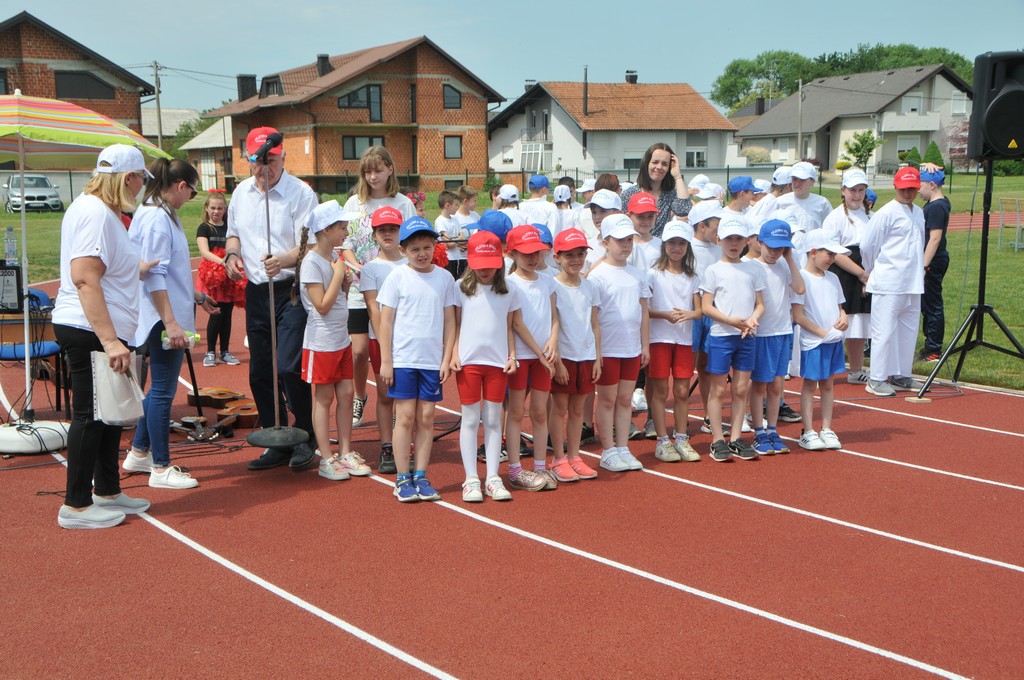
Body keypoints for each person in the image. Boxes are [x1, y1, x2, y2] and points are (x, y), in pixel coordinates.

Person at [52, 144, 152, 528]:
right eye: (141, 179)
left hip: (100, 328)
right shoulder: (95, 213)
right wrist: (110, 340)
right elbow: (84, 278)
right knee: (91, 415)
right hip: (89, 328)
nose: (142, 187)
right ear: (129, 178)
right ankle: (75, 505)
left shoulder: (101, 211)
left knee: (110, 414)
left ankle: (107, 490)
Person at [224, 126, 320, 471]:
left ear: (283, 157)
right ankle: (275, 438)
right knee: (261, 370)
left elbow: (310, 245)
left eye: (271, 160)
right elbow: (233, 234)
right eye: (257, 161)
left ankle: (305, 436)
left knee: (290, 366)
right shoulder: (241, 193)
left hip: (290, 289)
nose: (264, 168)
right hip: (256, 291)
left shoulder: (301, 193)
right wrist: (231, 256)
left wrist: (282, 260)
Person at [123, 157, 212, 490]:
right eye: (192, 192)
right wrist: (171, 323)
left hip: (163, 312)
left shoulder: (156, 211)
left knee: (158, 388)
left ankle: (139, 451)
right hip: (162, 316)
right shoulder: (157, 218)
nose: (191, 198)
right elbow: (154, 274)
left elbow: (169, 271)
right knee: (162, 390)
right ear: (181, 186)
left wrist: (196, 296)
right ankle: (160, 468)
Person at [377, 217, 456, 502]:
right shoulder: (397, 277)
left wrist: (446, 358)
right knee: (405, 417)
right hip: (403, 360)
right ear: (403, 250)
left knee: (426, 417)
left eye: (426, 247)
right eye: (414, 249)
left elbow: (450, 321)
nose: (422, 254)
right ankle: (402, 478)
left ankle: (421, 475)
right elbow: (385, 323)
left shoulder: (445, 278)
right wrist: (386, 360)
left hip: (431, 361)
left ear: (434, 246)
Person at [339, 147, 416, 430]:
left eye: (378, 170)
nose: (373, 177)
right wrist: (359, 267)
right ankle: (360, 396)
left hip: (395, 289)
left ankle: (393, 403)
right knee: (359, 350)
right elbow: (345, 243)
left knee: (392, 348)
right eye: (367, 171)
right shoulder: (354, 203)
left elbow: (412, 240)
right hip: (360, 288)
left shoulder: (402, 203)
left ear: (390, 169)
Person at [295, 201, 372, 481]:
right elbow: (322, 306)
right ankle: (326, 457)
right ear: (326, 230)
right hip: (322, 342)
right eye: (342, 228)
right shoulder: (312, 262)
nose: (346, 233)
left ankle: (345, 452)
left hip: (341, 339)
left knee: (347, 394)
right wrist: (340, 274)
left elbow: (338, 299)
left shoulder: (333, 258)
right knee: (324, 398)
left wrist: (345, 283)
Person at [451, 231, 518, 502]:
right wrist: (453, 354)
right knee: (469, 420)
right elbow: (455, 324)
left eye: (490, 265)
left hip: (497, 364)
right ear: (470, 262)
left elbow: (509, 327)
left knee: (492, 420)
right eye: (479, 265)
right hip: (468, 364)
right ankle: (470, 479)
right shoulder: (460, 287)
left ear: (499, 262)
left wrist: (512, 356)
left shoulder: (509, 290)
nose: (485, 270)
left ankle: (492, 477)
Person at [588, 214, 651, 472]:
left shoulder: (638, 275)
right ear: (605, 242)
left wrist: (644, 346)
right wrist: (597, 352)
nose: (626, 245)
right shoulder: (597, 276)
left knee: (625, 400)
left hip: (631, 349)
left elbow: (643, 311)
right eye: (619, 240)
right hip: (608, 349)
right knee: (607, 400)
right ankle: (608, 450)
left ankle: (623, 447)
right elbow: (593, 318)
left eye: (629, 240)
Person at [700, 216, 765, 462]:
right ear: (719, 240)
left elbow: (760, 304)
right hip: (722, 337)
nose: (734, 243)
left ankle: (736, 437)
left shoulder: (753, 269)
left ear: (747, 241)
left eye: (739, 239)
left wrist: (753, 318)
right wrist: (730, 320)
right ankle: (717, 439)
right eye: (729, 239)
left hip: (747, 336)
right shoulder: (713, 270)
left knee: (740, 389)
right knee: (718, 389)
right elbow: (706, 306)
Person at [860, 166, 926, 397]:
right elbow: (868, 245)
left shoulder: (919, 212)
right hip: (889, 281)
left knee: (908, 332)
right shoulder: (886, 213)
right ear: (895, 187)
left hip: (913, 283)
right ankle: (877, 378)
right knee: (884, 331)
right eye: (903, 189)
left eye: (912, 189)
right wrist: (870, 270)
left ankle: (901, 374)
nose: (907, 193)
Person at [504, 225, 559, 491]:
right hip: (523, 356)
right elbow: (515, 323)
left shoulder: (547, 281)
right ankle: (515, 469)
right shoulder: (509, 284)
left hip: (543, 357)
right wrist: (539, 353)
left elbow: (555, 316)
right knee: (516, 412)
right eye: (526, 253)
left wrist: (553, 341)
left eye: (537, 252)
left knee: (539, 411)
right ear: (512, 254)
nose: (533, 258)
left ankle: (540, 466)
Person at [747, 220, 804, 456]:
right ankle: (758, 431)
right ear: (759, 242)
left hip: (783, 332)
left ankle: (772, 429)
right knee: (760, 384)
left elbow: (800, 288)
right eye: (770, 247)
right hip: (763, 334)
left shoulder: (784, 265)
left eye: (780, 248)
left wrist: (789, 258)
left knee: (777, 386)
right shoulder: (751, 266)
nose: (774, 252)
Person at [646, 220, 702, 462]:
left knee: (681, 391)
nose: (676, 247)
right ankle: (662, 440)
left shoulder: (692, 277)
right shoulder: (653, 274)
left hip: (683, 340)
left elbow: (699, 311)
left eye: (681, 243)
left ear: (688, 246)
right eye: (672, 243)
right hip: (659, 339)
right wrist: (665, 315)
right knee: (660, 391)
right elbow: (645, 309)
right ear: (664, 245)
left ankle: (681, 438)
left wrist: (690, 314)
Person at [549, 228, 601, 480]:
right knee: (559, 408)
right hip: (565, 357)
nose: (576, 259)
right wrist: (557, 361)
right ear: (557, 257)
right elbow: (552, 324)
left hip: (586, 356)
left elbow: (595, 324)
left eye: (580, 254)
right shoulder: (552, 287)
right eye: (569, 255)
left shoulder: (590, 286)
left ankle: (574, 456)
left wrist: (598, 357)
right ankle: (558, 458)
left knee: (578, 410)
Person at [359, 206, 407, 474]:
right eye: (382, 230)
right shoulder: (371, 269)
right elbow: (372, 307)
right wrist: (385, 341)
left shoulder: (411, 263)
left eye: (392, 229)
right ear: (374, 235)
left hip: (410, 340)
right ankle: (387, 445)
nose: (387, 234)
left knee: (407, 397)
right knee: (386, 395)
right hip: (381, 341)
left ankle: (404, 441)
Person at [792, 230, 849, 450]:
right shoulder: (802, 279)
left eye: (834, 255)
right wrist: (823, 334)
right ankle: (807, 431)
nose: (833, 259)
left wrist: (843, 316)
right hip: (814, 342)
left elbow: (839, 306)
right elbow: (798, 316)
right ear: (813, 252)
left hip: (833, 340)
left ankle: (826, 428)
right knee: (810, 385)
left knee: (828, 384)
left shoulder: (833, 278)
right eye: (829, 254)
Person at [822, 169, 872, 384]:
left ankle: (856, 370)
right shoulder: (835, 218)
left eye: (861, 190)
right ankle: (825, 369)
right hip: (843, 272)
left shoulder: (870, 215)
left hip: (865, 271)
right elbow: (834, 252)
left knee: (859, 322)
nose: (857, 195)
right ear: (843, 190)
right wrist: (860, 274)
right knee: (838, 321)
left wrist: (867, 275)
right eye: (853, 190)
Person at [687, 200, 724, 436]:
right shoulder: (686, 247)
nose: (721, 230)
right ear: (702, 226)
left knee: (708, 366)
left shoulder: (721, 248)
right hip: (691, 309)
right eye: (717, 224)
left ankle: (710, 416)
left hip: (714, 309)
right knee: (686, 366)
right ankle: (680, 416)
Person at [195, 191, 244, 367]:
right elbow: (204, 251)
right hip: (212, 275)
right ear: (207, 208)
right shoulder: (204, 228)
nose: (216, 211)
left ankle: (225, 352)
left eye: (220, 208)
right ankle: (210, 352)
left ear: (225, 210)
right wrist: (223, 262)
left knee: (227, 315)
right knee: (216, 314)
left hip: (227, 276)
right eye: (213, 208)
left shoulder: (229, 228)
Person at [620, 143, 692, 238]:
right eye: (655, 162)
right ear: (646, 163)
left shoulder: (670, 194)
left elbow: (684, 210)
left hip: (660, 246)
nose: (659, 167)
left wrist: (678, 176)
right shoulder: (629, 194)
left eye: (665, 164)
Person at [919, 165, 950, 363]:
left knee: (932, 304)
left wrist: (924, 265)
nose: (918, 190)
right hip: (933, 260)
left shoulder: (937, 207)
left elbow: (935, 238)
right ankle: (929, 344)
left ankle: (933, 349)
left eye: (920, 185)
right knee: (927, 304)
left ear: (931, 185)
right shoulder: (938, 202)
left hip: (933, 261)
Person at [435, 190, 468, 279]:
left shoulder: (455, 219)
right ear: (447, 205)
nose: (457, 207)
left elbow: (463, 238)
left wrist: (456, 241)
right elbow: (449, 243)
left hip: (458, 257)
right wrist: (458, 240)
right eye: (456, 205)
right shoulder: (440, 221)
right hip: (447, 259)